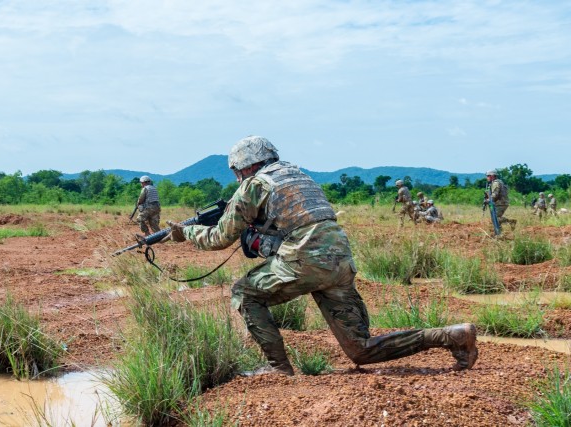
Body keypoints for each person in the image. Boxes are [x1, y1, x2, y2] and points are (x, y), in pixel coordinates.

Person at [163, 136, 478, 376]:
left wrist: (183, 233)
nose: (236, 177)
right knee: (361, 350)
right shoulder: (299, 176)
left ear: (245, 166)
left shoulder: (254, 185)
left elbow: (219, 238)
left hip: (306, 259)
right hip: (340, 259)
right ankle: (453, 336)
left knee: (245, 294)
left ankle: (280, 372)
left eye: (236, 171)